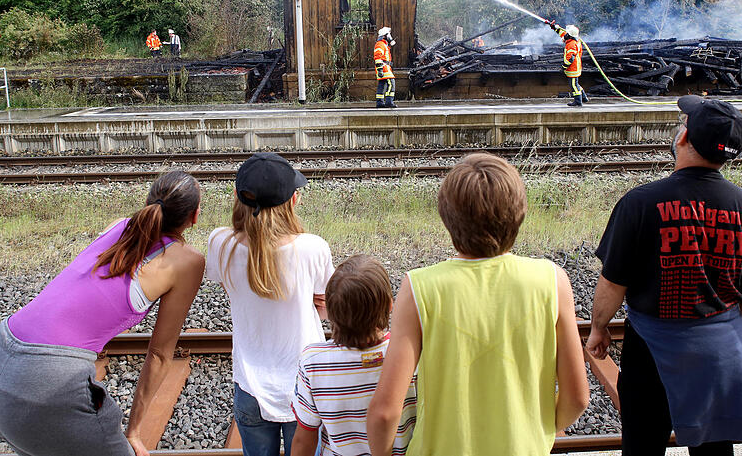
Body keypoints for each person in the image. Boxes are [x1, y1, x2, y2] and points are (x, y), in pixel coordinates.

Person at [586, 96, 742, 456]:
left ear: (684, 138)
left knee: (643, 446)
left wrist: (599, 328)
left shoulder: (641, 203)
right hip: (720, 351)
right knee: (713, 450)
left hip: (651, 350)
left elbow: (614, 281)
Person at [367, 153, 589, 456]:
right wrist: (538, 430)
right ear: (520, 212)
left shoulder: (419, 287)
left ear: (446, 217)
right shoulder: (552, 280)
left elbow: (385, 412)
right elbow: (577, 398)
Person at [0, 171, 205, 456]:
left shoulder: (118, 227)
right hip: (42, 384)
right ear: (194, 217)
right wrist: (133, 432)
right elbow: (159, 355)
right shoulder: (187, 261)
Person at [205, 152, 335, 456]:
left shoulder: (220, 244)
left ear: (237, 198)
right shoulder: (312, 248)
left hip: (249, 386)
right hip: (303, 385)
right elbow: (326, 307)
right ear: (291, 202)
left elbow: (233, 286)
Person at [292, 255, 417, 456]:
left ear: (330, 311)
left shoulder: (313, 362)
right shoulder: (410, 355)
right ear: (389, 305)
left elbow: (304, 437)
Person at [548, 21, 588, 107]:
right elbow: (563, 33)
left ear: (570, 35)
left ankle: (578, 101)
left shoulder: (571, 44)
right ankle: (584, 98)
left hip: (573, 68)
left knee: (573, 85)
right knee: (576, 84)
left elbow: (570, 59)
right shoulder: (574, 39)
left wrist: (564, 67)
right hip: (576, 67)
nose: (565, 34)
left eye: (567, 33)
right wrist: (554, 27)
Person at [374, 26, 397, 109]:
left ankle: (379, 102)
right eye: (388, 34)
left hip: (384, 67)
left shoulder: (383, 44)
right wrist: (380, 69)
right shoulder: (380, 44)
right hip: (383, 67)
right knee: (391, 83)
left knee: (382, 84)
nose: (390, 36)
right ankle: (389, 102)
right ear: (385, 36)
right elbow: (377, 57)